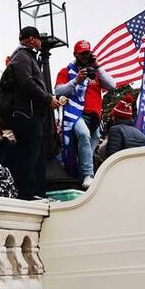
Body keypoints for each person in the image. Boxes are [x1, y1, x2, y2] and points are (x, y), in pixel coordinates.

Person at [0, 27, 58, 199]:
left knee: (38, 156)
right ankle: (27, 194)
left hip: (32, 113)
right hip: (26, 114)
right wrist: (48, 98)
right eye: (39, 39)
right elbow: (26, 83)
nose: (41, 42)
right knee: (29, 155)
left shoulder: (26, 57)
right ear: (32, 39)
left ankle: (38, 193)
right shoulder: (21, 57)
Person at [54, 40, 116, 186]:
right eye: (81, 54)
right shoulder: (66, 71)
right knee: (83, 135)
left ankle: (81, 180)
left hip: (95, 117)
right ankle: (89, 175)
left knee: (88, 150)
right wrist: (76, 80)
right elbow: (57, 91)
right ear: (75, 54)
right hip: (76, 114)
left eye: (87, 53)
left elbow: (112, 85)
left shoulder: (95, 72)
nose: (84, 56)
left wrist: (97, 66)